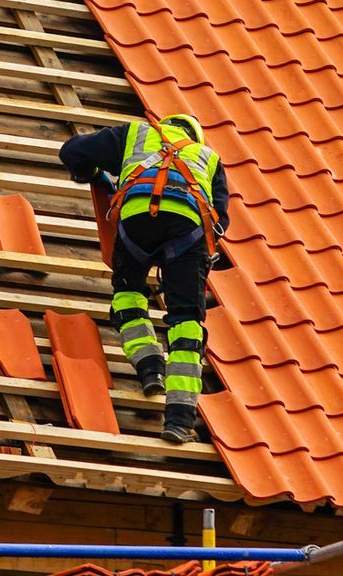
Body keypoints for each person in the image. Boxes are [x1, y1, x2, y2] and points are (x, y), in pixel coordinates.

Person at [59, 113, 229, 444]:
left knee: (128, 293)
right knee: (186, 322)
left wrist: (92, 175)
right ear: (194, 137)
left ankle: (150, 367)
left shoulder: (136, 134)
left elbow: (72, 152)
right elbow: (220, 220)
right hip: (187, 232)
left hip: (135, 223)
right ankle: (179, 420)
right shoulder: (209, 158)